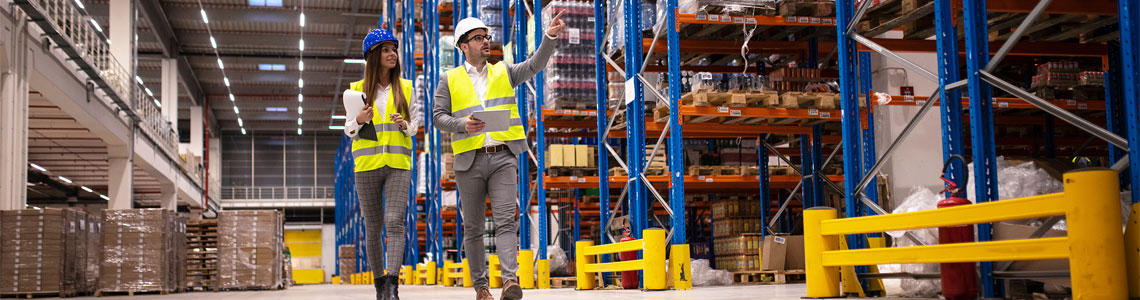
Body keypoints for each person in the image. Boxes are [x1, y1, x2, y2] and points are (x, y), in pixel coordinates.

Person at [432, 14, 566, 300]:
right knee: (474, 227)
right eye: (478, 38)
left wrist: (549, 38)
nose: (485, 42)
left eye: (486, 37)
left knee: (506, 221)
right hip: (469, 160)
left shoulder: (503, 71)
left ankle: (509, 281)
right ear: (463, 46)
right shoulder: (449, 79)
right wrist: (461, 124)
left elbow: (534, 65)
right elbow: (437, 117)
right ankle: (481, 288)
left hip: (503, 156)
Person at [343, 28, 420, 300]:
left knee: (394, 221)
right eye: (386, 50)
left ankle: (392, 286)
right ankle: (379, 285)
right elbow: (349, 131)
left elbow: (415, 128)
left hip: (398, 164)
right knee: (372, 228)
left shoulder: (408, 88)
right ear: (373, 56)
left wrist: (405, 125)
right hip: (367, 166)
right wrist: (360, 120)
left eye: (394, 50)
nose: (392, 55)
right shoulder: (355, 91)